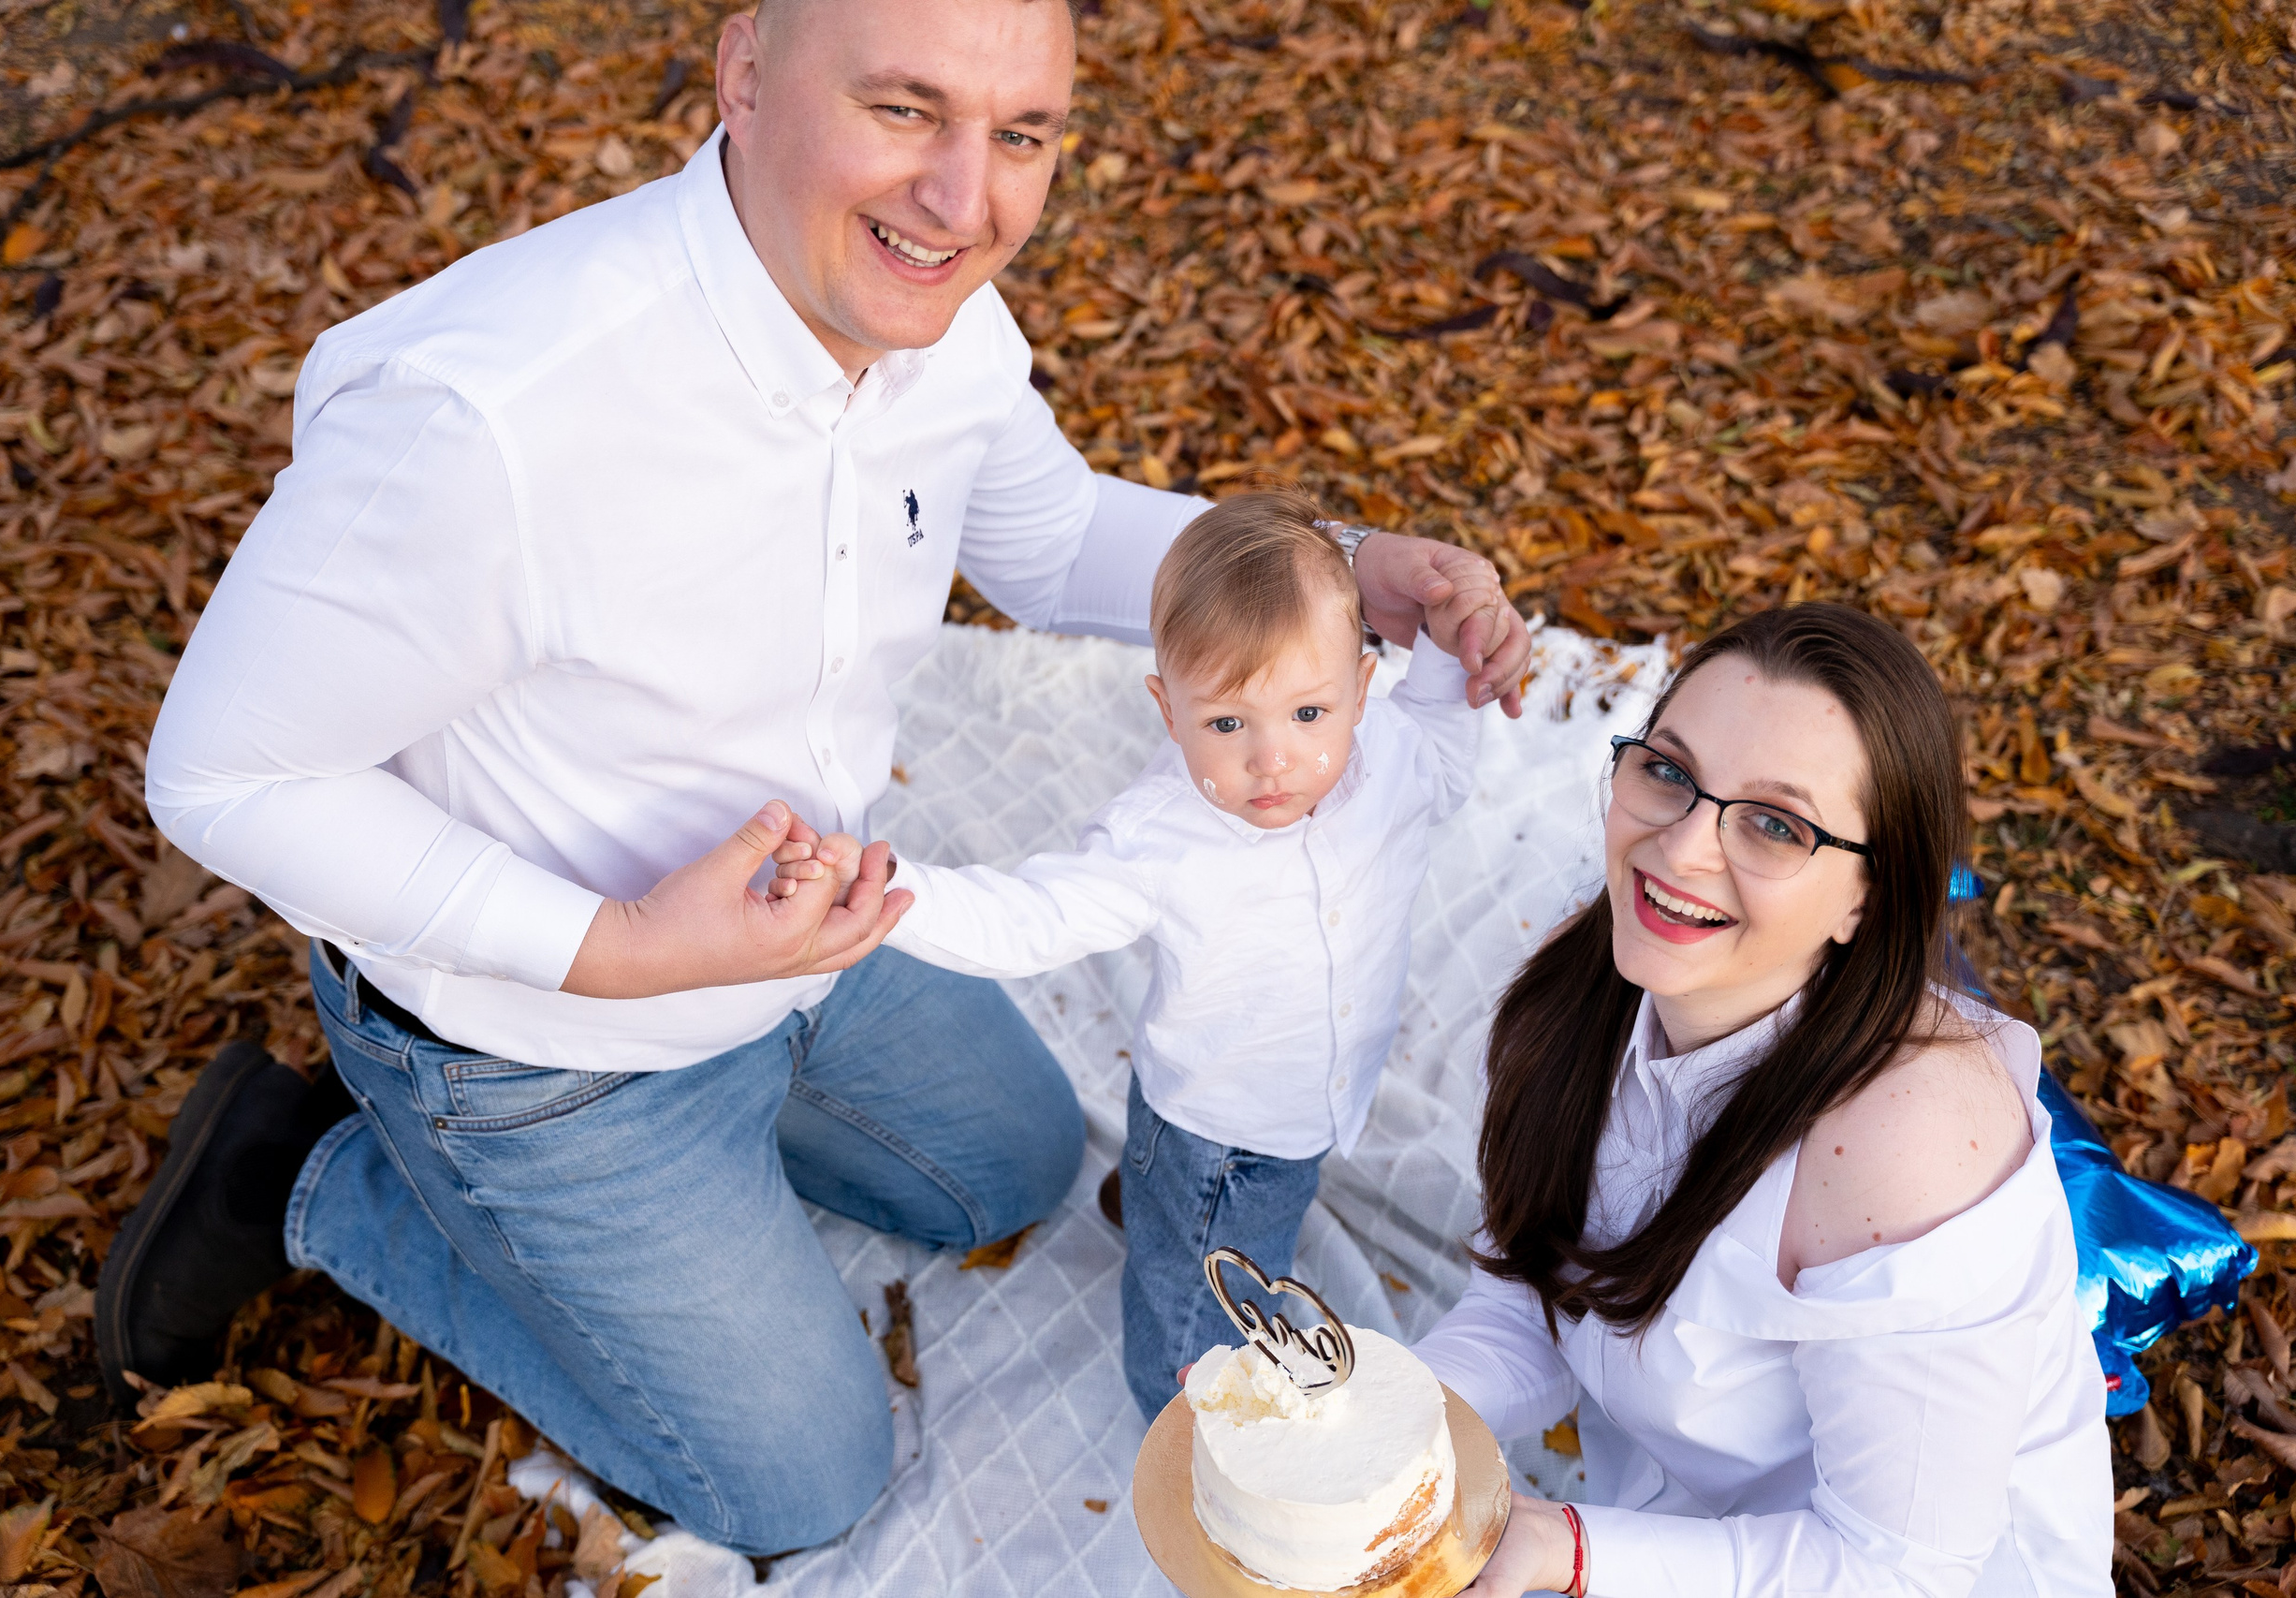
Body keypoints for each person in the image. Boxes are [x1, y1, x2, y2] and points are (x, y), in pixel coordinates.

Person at [110, 0, 1531, 1559]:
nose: (967, 199)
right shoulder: (491, 419)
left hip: (815, 942)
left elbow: (1049, 539)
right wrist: (637, 948)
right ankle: (319, 1175)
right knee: (803, 1487)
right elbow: (227, 773)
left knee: (1019, 1167)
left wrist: (1341, 564)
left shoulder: (940, 320)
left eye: (1024, 135)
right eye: (906, 110)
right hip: (550, 1045)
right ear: (743, 72)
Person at [1414, 604, 2112, 1595]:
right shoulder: (1588, 987)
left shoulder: (1905, 1143)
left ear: (1870, 897)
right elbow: (1535, 1290)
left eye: (1776, 824)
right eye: (1666, 770)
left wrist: (1571, 1548)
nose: (1682, 850)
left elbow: (1902, 1574)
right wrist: (1384, 1411)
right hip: (1676, 1538)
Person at [779, 489, 1481, 1418]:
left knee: (1229, 1214)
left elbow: (1444, 756)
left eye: (1308, 714)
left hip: (1315, 1096)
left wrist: (1445, 641)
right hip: (1220, 1132)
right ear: (1168, 708)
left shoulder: (1388, 752)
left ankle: (1142, 1204)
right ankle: (1187, 1427)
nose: (1272, 760)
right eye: (1228, 724)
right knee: (1202, 1321)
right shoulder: (1163, 840)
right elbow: (1031, 917)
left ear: (1359, 685)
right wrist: (889, 886)